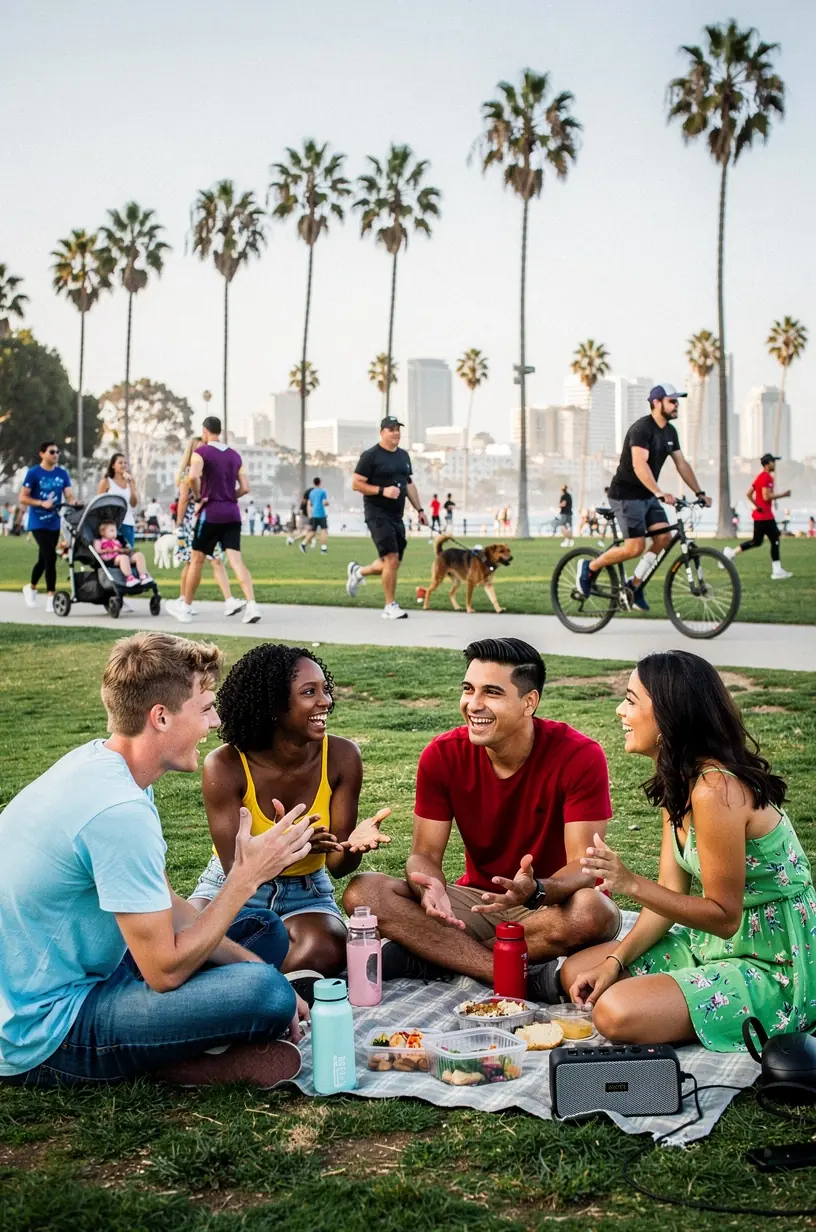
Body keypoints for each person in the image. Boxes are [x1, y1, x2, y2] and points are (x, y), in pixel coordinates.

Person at [0, 632, 317, 1089]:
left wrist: (255, 964)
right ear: (161, 717)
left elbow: (170, 905)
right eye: (206, 707)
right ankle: (172, 1063)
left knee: (262, 933)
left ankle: (174, 1039)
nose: (215, 721)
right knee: (264, 993)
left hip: (91, 971)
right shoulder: (117, 812)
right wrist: (245, 879)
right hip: (44, 1026)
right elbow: (164, 972)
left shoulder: (109, 767)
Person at [561, 650, 816, 1051]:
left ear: (667, 716)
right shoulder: (679, 779)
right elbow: (671, 893)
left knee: (613, 1013)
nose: (618, 711)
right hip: (713, 946)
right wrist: (614, 963)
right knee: (578, 971)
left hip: (773, 960)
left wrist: (629, 883)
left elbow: (724, 916)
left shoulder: (716, 789)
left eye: (630, 700)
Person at [343, 638, 619, 995]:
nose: (473, 705)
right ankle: (506, 972)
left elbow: (584, 865)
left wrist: (536, 889)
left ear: (528, 703)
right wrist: (429, 885)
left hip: (549, 906)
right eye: (468, 689)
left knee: (594, 911)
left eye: (491, 693)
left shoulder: (580, 755)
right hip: (477, 902)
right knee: (364, 892)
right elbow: (424, 855)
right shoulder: (441, 756)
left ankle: (434, 957)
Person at [189, 645, 392, 997]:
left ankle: (234, 984)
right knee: (184, 941)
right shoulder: (224, 766)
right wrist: (291, 847)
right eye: (309, 692)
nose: (325, 701)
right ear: (273, 705)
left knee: (327, 948)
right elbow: (237, 870)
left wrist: (353, 847)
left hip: (306, 893)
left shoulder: (342, 757)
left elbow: (338, 865)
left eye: (324, 689)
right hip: (232, 886)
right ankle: (267, 984)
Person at [579, 383, 711, 612]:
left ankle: (634, 586)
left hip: (648, 496)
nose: (676, 404)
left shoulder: (670, 432)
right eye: (672, 401)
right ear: (657, 403)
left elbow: (681, 463)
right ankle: (590, 567)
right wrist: (659, 492)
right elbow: (640, 464)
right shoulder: (642, 429)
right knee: (635, 547)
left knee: (664, 538)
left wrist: (699, 492)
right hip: (626, 495)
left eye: (677, 401)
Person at [168, 417, 260, 625]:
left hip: (211, 513)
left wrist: (200, 497)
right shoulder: (235, 456)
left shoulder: (201, 453)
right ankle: (252, 605)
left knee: (197, 559)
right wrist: (228, 496)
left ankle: (186, 606)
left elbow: (192, 477)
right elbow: (245, 488)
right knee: (236, 561)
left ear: (205, 431)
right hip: (232, 514)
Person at [346, 416, 428, 620]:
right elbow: (356, 483)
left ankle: (358, 572)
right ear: (382, 432)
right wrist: (382, 491)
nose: (396, 433)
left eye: (398, 429)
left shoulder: (403, 456)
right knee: (391, 558)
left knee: (392, 562)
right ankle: (390, 606)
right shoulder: (370, 456)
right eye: (391, 429)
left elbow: (409, 484)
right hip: (376, 514)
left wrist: (420, 510)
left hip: (396, 515)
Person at [19, 441, 75, 613]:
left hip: (54, 522)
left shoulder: (62, 473)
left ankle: (32, 587)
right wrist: (40, 503)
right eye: (52, 452)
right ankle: (51, 596)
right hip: (38, 522)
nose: (55, 454)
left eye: (57, 452)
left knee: (44, 559)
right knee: (50, 556)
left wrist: (74, 502)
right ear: (42, 453)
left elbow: (69, 494)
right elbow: (23, 497)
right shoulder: (34, 473)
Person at [723, 454, 792, 581]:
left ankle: (731, 553)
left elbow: (749, 494)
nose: (774, 464)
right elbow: (766, 496)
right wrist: (784, 495)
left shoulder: (759, 477)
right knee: (774, 539)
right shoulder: (766, 477)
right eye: (773, 462)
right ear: (767, 464)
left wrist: (756, 505)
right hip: (765, 516)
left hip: (760, 516)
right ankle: (777, 571)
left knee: (757, 541)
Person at [93, 521, 152, 588]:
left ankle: (143, 576)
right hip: (110, 559)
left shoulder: (117, 541)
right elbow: (97, 551)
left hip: (121, 556)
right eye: (111, 531)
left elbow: (121, 549)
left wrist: (125, 550)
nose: (114, 533)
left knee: (139, 555)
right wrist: (110, 550)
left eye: (115, 530)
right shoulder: (99, 541)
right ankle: (129, 578)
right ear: (103, 532)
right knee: (123, 557)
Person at [97, 454, 138, 549]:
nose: (123, 465)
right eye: (120, 463)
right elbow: (98, 503)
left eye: (125, 463)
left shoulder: (130, 481)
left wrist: (131, 485)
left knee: (129, 553)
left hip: (128, 523)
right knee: (115, 556)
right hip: (112, 524)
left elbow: (134, 503)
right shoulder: (106, 482)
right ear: (113, 466)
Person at [300, 477, 330, 554]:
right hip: (321, 514)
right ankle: (323, 549)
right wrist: (327, 503)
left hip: (314, 514)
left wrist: (310, 514)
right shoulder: (323, 491)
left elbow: (309, 504)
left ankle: (303, 544)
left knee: (313, 531)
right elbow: (324, 502)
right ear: (320, 482)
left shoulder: (311, 492)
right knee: (324, 530)